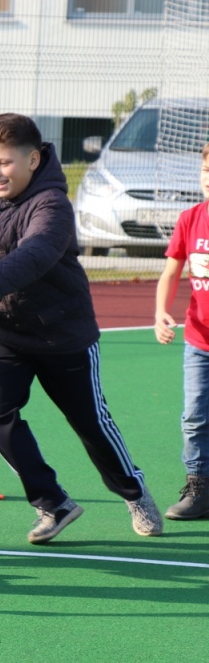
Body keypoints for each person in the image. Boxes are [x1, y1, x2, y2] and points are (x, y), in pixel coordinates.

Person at [0, 112, 162, 543]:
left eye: (5, 163)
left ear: (32, 159)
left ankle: (133, 491)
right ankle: (52, 502)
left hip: (64, 334)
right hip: (6, 333)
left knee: (90, 423)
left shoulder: (53, 206)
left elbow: (36, 254)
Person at [153, 141, 209, 521]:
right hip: (199, 341)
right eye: (207, 171)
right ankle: (200, 488)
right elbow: (171, 271)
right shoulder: (190, 219)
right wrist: (160, 312)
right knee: (194, 416)